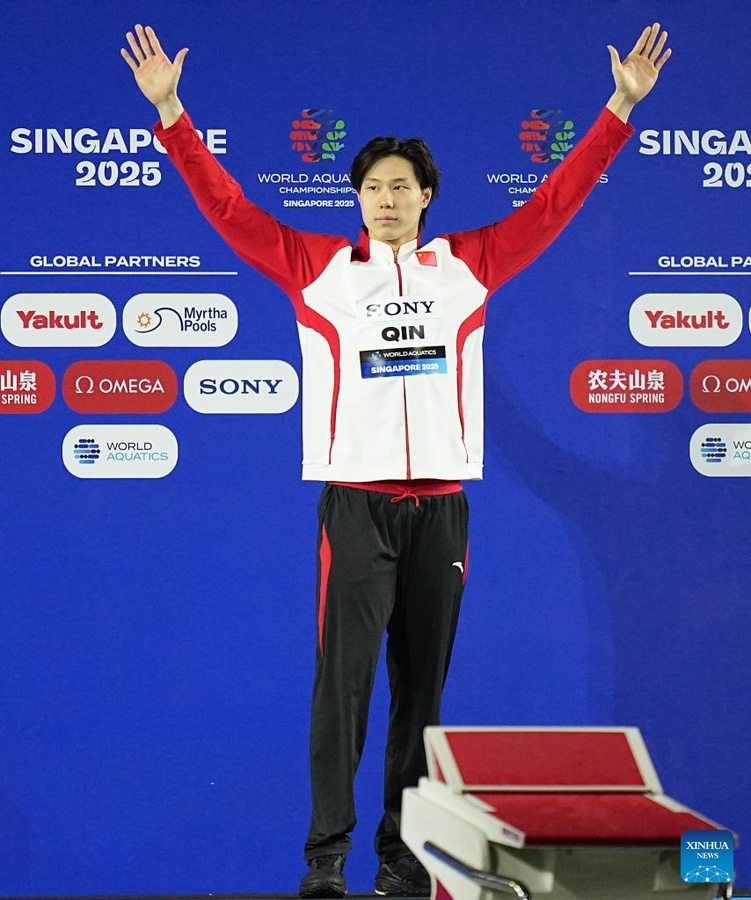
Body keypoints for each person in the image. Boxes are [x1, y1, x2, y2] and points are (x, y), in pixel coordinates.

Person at [121, 22, 671, 898]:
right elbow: (228, 208)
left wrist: (617, 108)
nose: (385, 200)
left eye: (401, 188)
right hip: (357, 506)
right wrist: (171, 115)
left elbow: (555, 204)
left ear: (427, 197)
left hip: (441, 511)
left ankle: (402, 857)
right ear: (356, 199)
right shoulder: (317, 269)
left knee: (422, 700)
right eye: (372, 187)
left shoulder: (471, 266)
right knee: (341, 690)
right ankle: (325, 862)